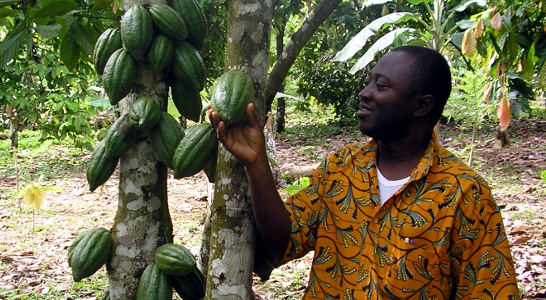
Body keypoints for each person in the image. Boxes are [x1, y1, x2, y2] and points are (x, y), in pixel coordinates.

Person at [208, 46, 519, 299]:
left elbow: (489, 289)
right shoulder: (341, 169)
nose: (365, 93)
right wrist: (256, 164)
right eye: (369, 82)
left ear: (422, 105)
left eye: (380, 86)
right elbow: (283, 242)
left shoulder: (463, 193)